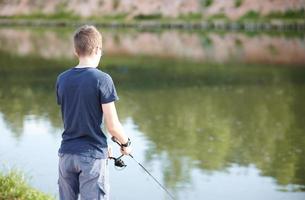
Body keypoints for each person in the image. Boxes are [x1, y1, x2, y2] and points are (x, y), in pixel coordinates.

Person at [55, 25, 132, 200]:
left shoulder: (62, 79)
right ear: (98, 49)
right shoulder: (102, 80)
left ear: (76, 51)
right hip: (91, 157)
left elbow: (75, 116)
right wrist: (126, 144)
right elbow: (112, 126)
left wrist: (104, 148)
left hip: (66, 154)